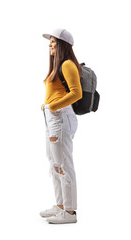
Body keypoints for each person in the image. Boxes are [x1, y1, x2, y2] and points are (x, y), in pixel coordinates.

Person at [39, 29, 82, 224]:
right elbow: (57, 91)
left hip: (61, 117)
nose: (50, 45)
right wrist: (46, 105)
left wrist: (54, 106)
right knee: (54, 163)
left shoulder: (67, 64)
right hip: (52, 117)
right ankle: (61, 205)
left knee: (64, 164)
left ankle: (70, 212)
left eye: (54, 42)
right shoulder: (58, 66)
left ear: (63, 45)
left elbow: (76, 93)